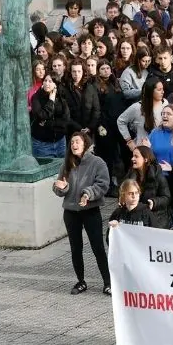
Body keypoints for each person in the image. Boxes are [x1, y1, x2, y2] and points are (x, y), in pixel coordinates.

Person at [53, 131, 111, 295]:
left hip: (90, 210)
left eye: (77, 141)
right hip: (71, 212)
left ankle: (108, 282)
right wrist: (62, 188)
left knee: (97, 247)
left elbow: (103, 185)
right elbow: (59, 188)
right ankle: (80, 281)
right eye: (72, 142)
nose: (74, 145)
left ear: (85, 144)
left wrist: (87, 194)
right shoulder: (66, 164)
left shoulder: (97, 162)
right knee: (75, 248)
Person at [31, 74, 72, 158]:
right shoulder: (36, 97)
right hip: (42, 144)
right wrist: (51, 101)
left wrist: (47, 124)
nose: (47, 83)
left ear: (55, 84)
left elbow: (66, 120)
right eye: (45, 81)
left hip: (60, 142)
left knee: (63, 166)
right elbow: (41, 116)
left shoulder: (61, 97)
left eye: (50, 81)